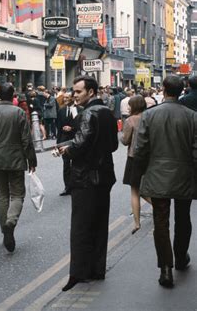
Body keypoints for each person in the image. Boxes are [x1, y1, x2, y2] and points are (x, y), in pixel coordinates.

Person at [133, 76, 197, 288]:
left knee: (160, 221)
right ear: (182, 91)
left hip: (157, 173)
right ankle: (180, 257)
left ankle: (166, 268)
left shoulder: (150, 115)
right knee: (183, 218)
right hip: (184, 174)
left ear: (163, 89)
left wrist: (141, 173)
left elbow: (140, 148)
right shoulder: (192, 116)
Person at [58, 76, 118, 291]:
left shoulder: (87, 114)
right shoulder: (107, 113)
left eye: (78, 91)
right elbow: (113, 145)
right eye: (74, 91)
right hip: (105, 176)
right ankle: (96, 269)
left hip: (85, 177)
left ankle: (78, 274)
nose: (74, 95)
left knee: (81, 227)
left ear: (91, 92)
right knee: (100, 224)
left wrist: (68, 149)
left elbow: (80, 144)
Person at [0, 82, 36, 252]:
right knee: (17, 195)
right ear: (13, 96)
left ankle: (6, 231)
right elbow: (27, 140)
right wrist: (31, 160)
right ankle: (11, 222)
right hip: (17, 160)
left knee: (2, 197)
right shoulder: (18, 113)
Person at [121, 95, 148, 234]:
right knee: (147, 187)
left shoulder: (130, 120)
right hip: (149, 157)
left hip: (134, 157)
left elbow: (125, 140)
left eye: (130, 105)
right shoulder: (150, 117)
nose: (128, 107)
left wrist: (122, 135)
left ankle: (137, 223)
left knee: (135, 190)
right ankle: (160, 208)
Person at [56, 92, 79, 196]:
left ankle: (76, 185)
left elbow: (81, 125)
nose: (65, 99)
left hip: (75, 140)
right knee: (66, 165)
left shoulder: (79, 109)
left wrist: (72, 128)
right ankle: (67, 187)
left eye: (67, 97)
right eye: (64, 97)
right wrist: (58, 144)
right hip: (64, 140)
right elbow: (58, 128)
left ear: (72, 98)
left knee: (76, 163)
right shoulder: (61, 110)